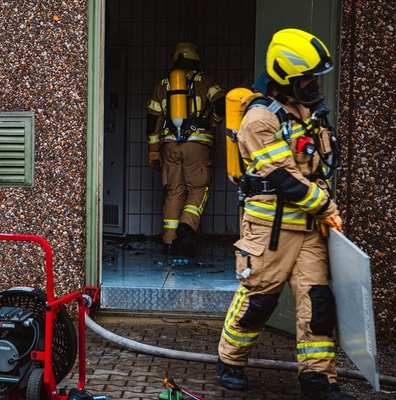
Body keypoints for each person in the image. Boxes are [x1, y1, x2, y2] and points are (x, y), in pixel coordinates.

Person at [216, 28, 355, 400]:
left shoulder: (307, 113)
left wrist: (323, 211)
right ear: (286, 76)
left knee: (318, 304)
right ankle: (230, 360)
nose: (313, 85)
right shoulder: (259, 119)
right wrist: (328, 207)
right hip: (269, 230)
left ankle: (318, 380)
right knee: (258, 300)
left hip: (309, 228)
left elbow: (318, 168)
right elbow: (284, 178)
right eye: (307, 77)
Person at [146, 41, 226, 256]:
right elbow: (221, 103)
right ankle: (187, 227)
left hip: (169, 145)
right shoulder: (206, 81)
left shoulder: (163, 84)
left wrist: (154, 150)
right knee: (198, 188)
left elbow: (152, 119)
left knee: (174, 191)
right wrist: (213, 123)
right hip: (197, 146)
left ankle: (169, 241)